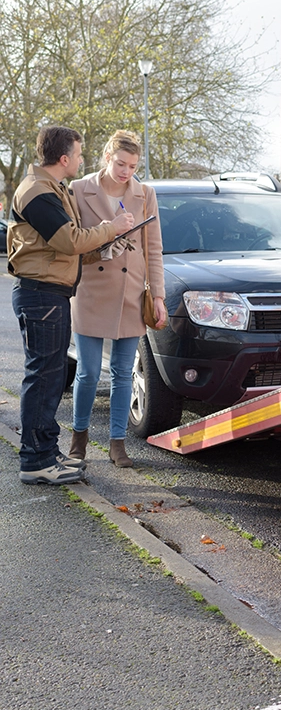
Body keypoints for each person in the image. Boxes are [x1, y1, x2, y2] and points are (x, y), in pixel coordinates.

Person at [8, 126, 134, 484]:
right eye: (78, 154)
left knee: (50, 378)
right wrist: (112, 228)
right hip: (41, 295)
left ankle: (46, 454)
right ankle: (36, 461)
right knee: (44, 378)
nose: (81, 160)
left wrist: (105, 248)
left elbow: (64, 247)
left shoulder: (50, 189)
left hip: (50, 294)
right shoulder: (37, 192)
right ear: (64, 159)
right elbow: (68, 241)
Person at [68, 130, 166, 469]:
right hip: (90, 292)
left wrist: (159, 296)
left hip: (131, 292)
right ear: (108, 156)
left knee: (124, 373)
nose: (126, 172)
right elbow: (72, 243)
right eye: (121, 163)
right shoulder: (79, 190)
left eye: (133, 166)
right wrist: (109, 232)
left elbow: (154, 249)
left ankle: (117, 444)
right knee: (89, 372)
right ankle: (78, 440)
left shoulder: (145, 194)